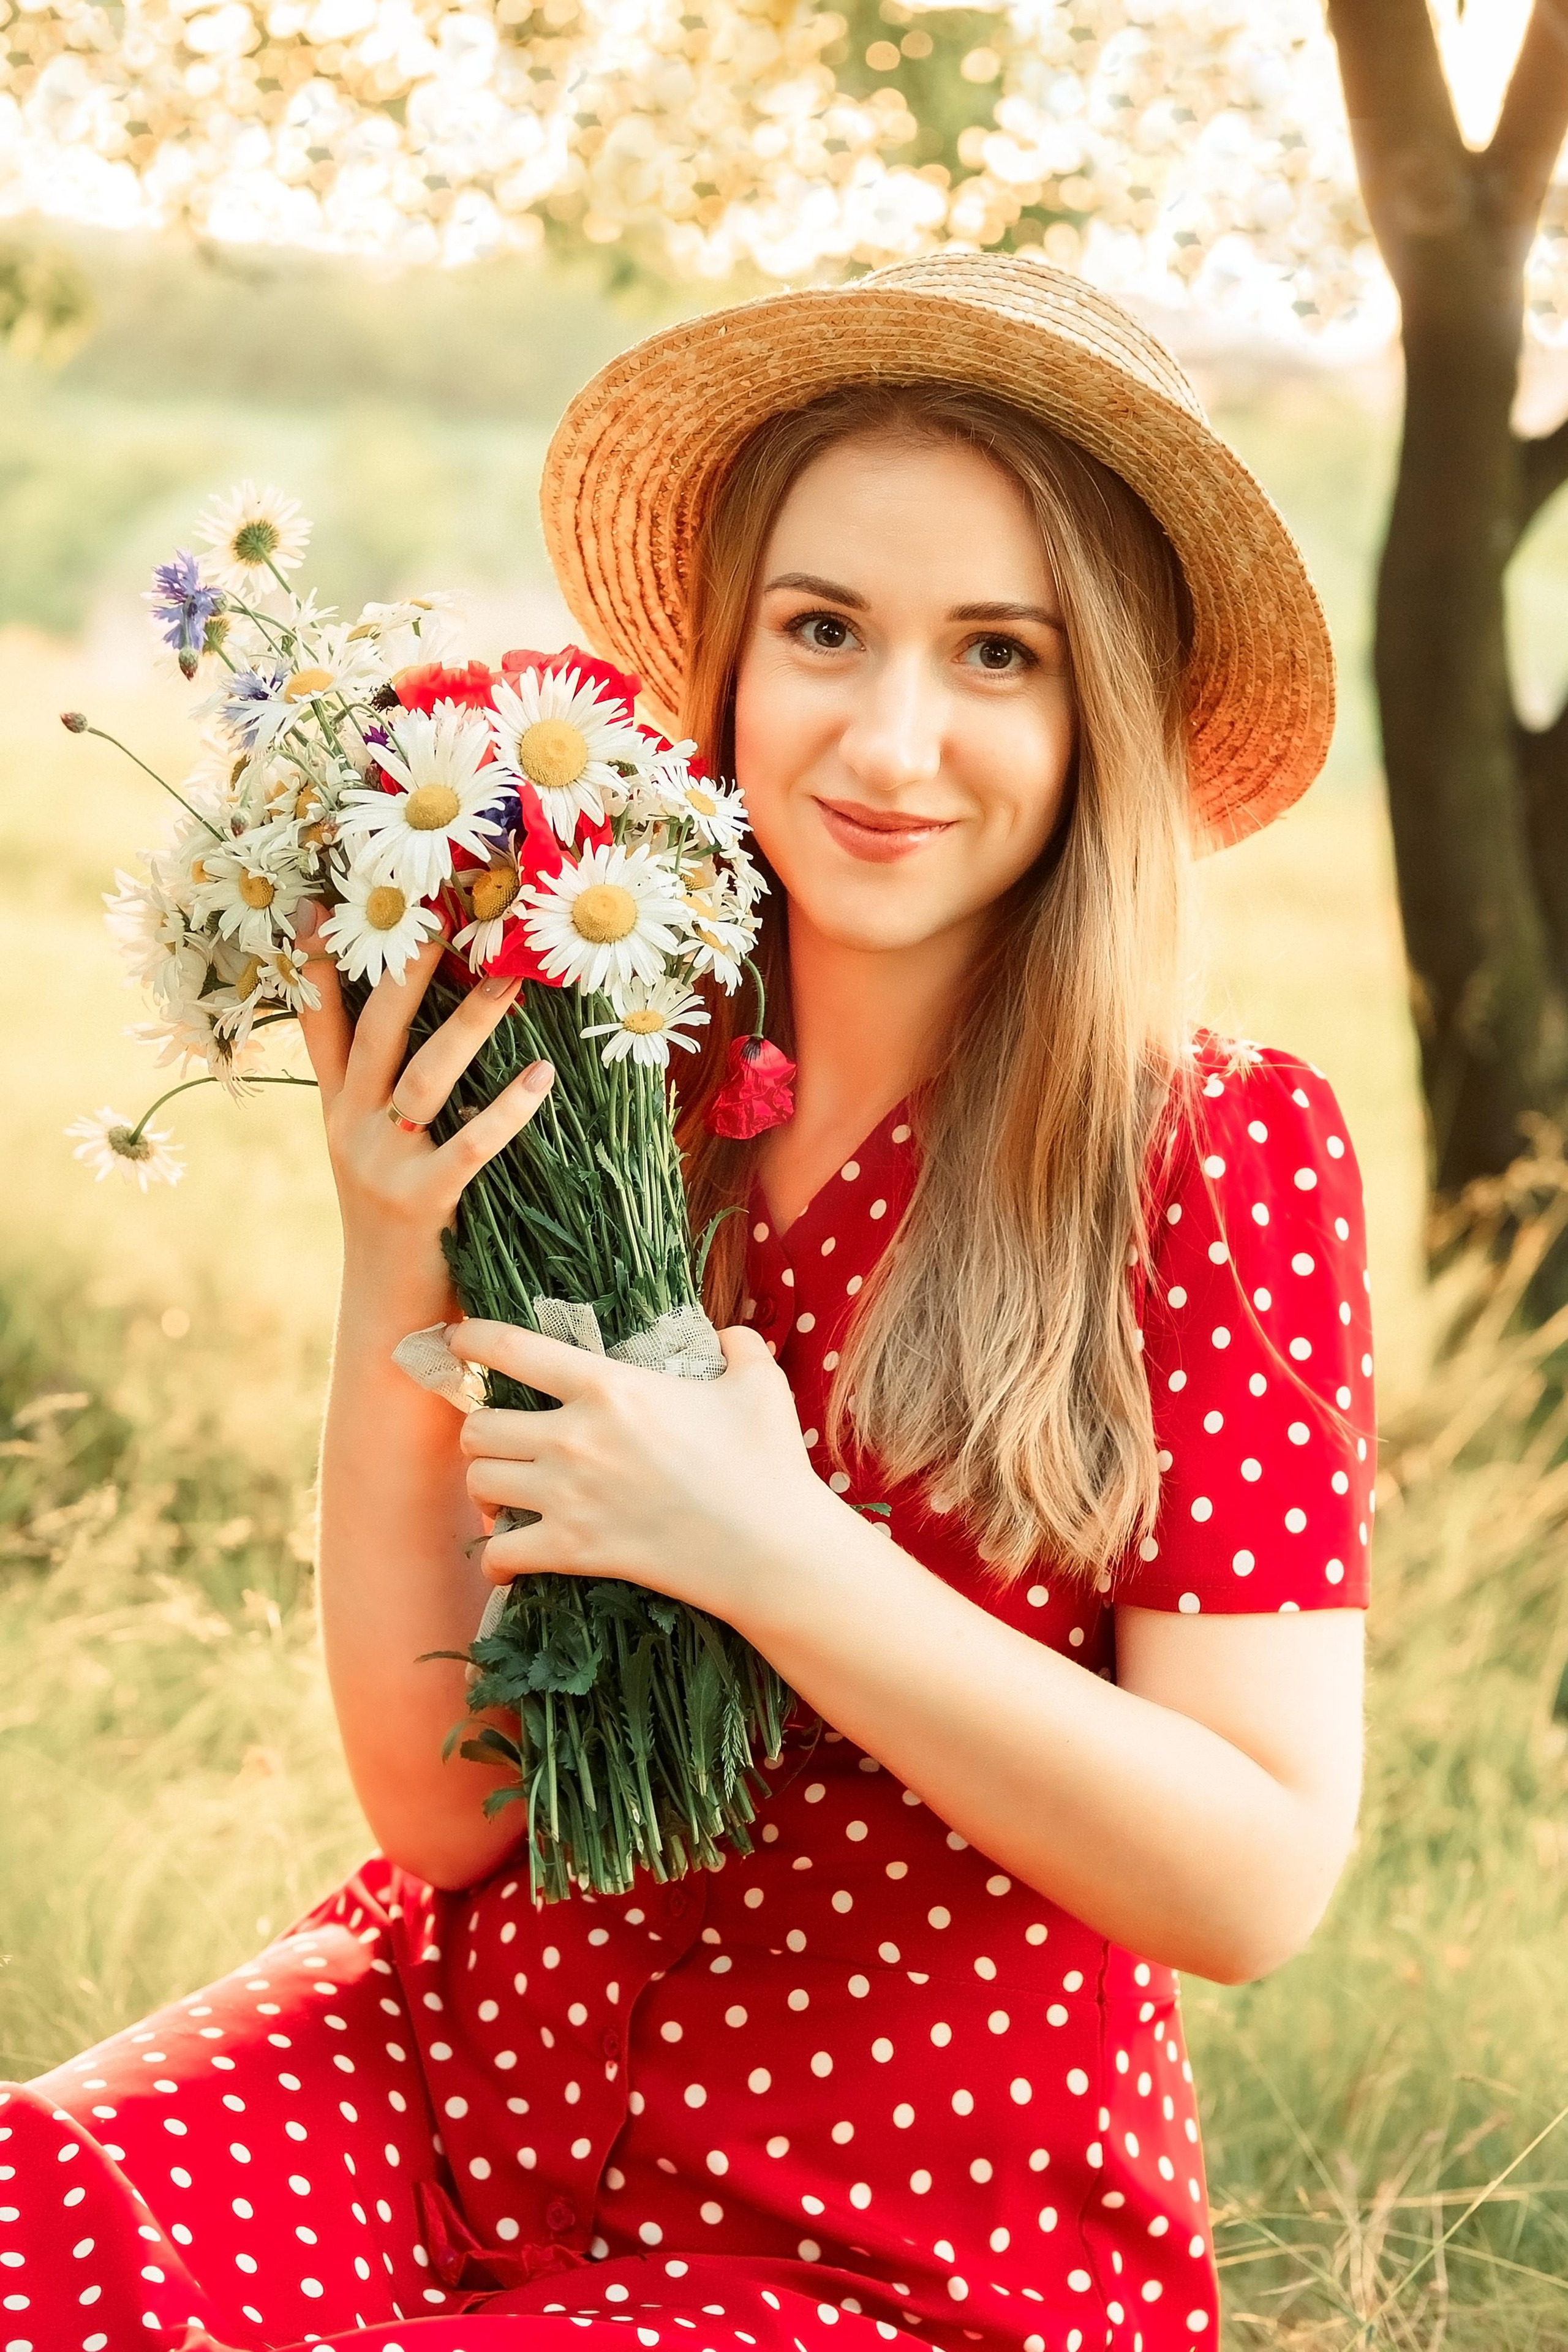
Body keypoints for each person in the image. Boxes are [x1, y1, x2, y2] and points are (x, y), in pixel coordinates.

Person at [0, 252, 1372, 2352]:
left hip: (900, 2219)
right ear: (728, 657)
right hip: (453, 2073)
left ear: (1099, 701)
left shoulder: (1207, 1151)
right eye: (825, 629)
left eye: (996, 653)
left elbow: (1254, 1877)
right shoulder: (616, 1063)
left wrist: (770, 1555)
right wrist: (399, 1259)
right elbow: (451, 1817)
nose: (893, 737)